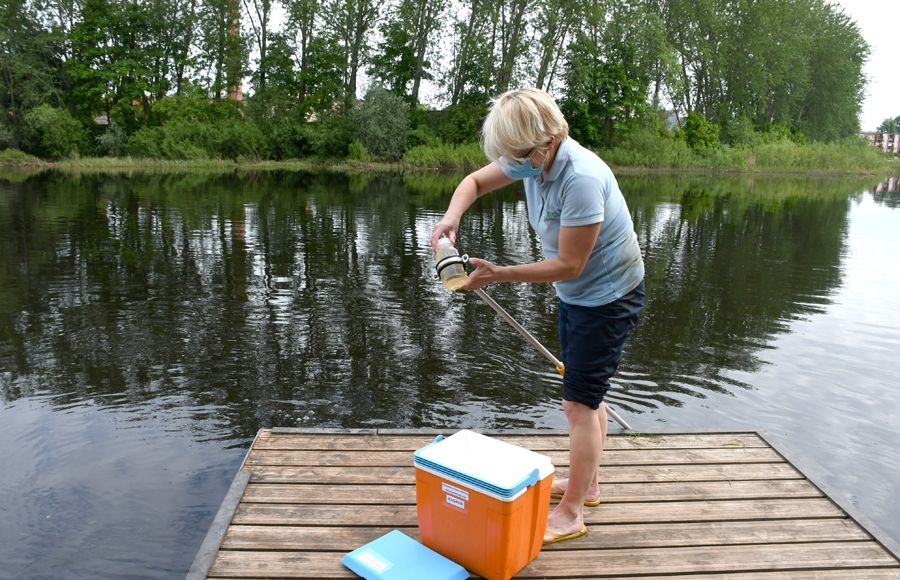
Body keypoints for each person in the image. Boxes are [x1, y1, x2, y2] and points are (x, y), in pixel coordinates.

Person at [430, 88, 645, 545]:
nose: (511, 165)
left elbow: (570, 264)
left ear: (547, 143)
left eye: (517, 156)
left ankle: (571, 513)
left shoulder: (581, 178)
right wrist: (450, 218)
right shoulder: (530, 155)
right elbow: (474, 182)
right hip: (578, 296)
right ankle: (589, 486)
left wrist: (498, 274)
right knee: (588, 394)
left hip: (608, 299)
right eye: (506, 156)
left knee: (579, 403)